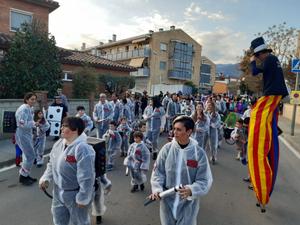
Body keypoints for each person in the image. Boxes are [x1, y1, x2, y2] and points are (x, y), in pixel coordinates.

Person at [248, 37, 289, 209]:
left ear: (259, 53)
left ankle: (262, 192)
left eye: (256, 56)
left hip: (271, 95)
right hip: (275, 95)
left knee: (256, 118)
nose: (256, 58)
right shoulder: (274, 60)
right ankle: (273, 130)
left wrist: (252, 63)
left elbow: (255, 71)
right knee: (262, 118)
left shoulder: (270, 59)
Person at [149, 116, 213, 225]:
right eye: (174, 129)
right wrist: (157, 189)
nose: (174, 132)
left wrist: (191, 190)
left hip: (188, 202)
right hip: (167, 200)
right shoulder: (167, 149)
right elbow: (158, 172)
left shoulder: (199, 153)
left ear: (189, 132)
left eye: (179, 129)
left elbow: (204, 180)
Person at [39, 117, 95, 225]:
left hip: (75, 195)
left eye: (65, 126)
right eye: (62, 125)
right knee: (59, 220)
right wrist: (46, 178)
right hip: (58, 193)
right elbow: (51, 164)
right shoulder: (59, 144)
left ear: (75, 130)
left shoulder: (82, 149)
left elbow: (87, 176)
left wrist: (83, 197)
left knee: (79, 222)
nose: (61, 128)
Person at [15, 92, 39, 185]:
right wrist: (34, 124)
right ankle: (23, 177)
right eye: (31, 99)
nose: (33, 101)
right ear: (26, 99)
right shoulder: (23, 109)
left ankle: (25, 175)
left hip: (27, 134)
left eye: (34, 99)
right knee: (30, 155)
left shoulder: (30, 108)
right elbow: (22, 124)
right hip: (22, 134)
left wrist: (33, 125)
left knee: (28, 155)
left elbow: (29, 120)